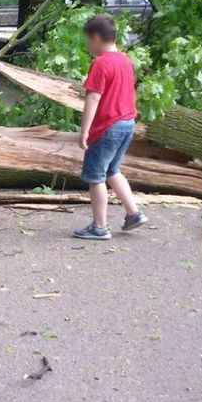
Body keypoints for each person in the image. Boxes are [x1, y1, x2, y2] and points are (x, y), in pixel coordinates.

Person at [73, 14, 147, 241]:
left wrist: (85, 130)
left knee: (96, 176)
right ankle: (134, 214)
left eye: (88, 40)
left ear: (96, 38)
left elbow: (93, 98)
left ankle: (100, 226)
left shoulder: (101, 63)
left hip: (108, 127)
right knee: (113, 171)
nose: (88, 45)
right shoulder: (125, 60)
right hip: (127, 123)